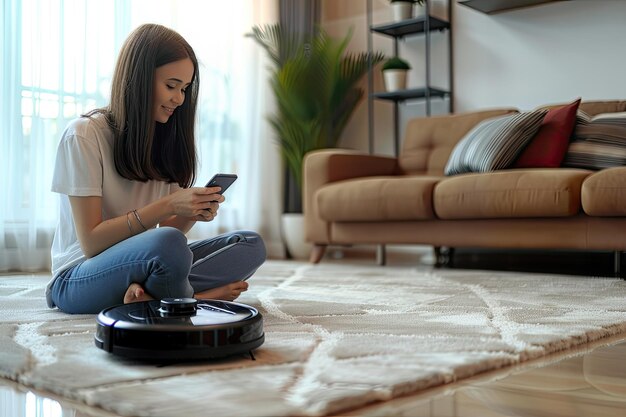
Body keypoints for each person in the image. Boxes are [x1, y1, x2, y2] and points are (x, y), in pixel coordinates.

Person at [47, 23, 266, 314]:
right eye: (171, 86)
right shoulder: (85, 135)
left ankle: (154, 296)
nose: (179, 99)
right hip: (78, 276)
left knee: (250, 245)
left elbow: (169, 232)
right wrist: (168, 204)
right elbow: (91, 243)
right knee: (168, 245)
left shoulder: (164, 138)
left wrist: (191, 213)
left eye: (185, 89)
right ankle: (193, 299)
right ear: (139, 79)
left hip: (145, 262)